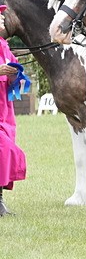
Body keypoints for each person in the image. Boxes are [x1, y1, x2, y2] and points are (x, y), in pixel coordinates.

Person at [0, 14, 28, 216]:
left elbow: (14, 75)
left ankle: (0, 201)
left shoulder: (3, 45)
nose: (3, 20)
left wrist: (15, 75)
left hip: (4, 110)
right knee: (5, 150)